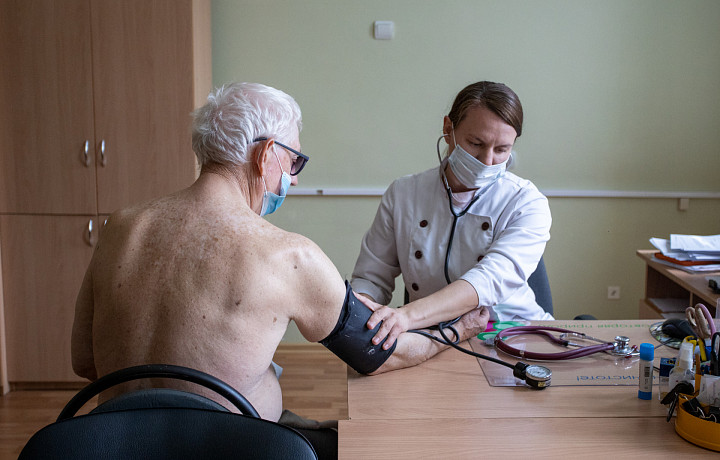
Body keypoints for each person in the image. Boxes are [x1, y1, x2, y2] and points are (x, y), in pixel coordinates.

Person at [71, 82, 490, 459]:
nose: (295, 179)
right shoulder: (288, 255)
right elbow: (378, 354)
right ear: (265, 154)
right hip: (228, 447)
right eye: (294, 161)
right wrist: (459, 329)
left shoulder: (121, 226)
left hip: (111, 443)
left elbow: (84, 361)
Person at [351, 81, 552, 350]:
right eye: (476, 143)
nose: (487, 161)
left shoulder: (526, 202)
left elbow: (488, 280)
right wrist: (360, 314)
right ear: (448, 130)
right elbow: (371, 277)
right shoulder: (404, 194)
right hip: (427, 335)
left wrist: (407, 315)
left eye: (502, 150)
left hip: (511, 335)